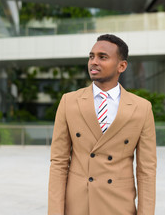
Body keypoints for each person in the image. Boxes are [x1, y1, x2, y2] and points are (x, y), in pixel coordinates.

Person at [48, 34, 157, 215]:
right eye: (91, 56)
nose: (94, 62)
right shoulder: (69, 102)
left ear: (121, 66)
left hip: (119, 205)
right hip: (78, 205)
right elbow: (58, 163)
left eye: (102, 57)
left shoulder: (142, 108)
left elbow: (146, 171)